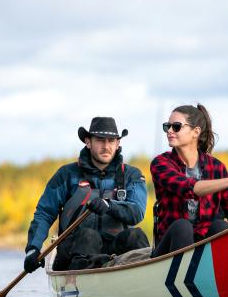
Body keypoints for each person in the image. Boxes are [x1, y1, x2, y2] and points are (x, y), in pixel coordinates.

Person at [150, 103, 228, 267]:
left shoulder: (216, 167)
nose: (169, 131)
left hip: (202, 246)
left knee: (221, 226)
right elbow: (189, 188)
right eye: (167, 126)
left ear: (196, 132)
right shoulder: (160, 164)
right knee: (183, 227)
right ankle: (181, 279)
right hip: (169, 249)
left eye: (176, 127)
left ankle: (217, 278)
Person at [23, 117, 150, 273]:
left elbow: (137, 212)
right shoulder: (66, 175)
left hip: (117, 252)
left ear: (118, 144)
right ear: (88, 142)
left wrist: (109, 206)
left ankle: (143, 276)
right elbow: (44, 214)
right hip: (74, 251)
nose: (106, 146)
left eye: (111, 141)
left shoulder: (132, 175)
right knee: (89, 236)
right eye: (100, 140)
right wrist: (33, 248)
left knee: (135, 235)